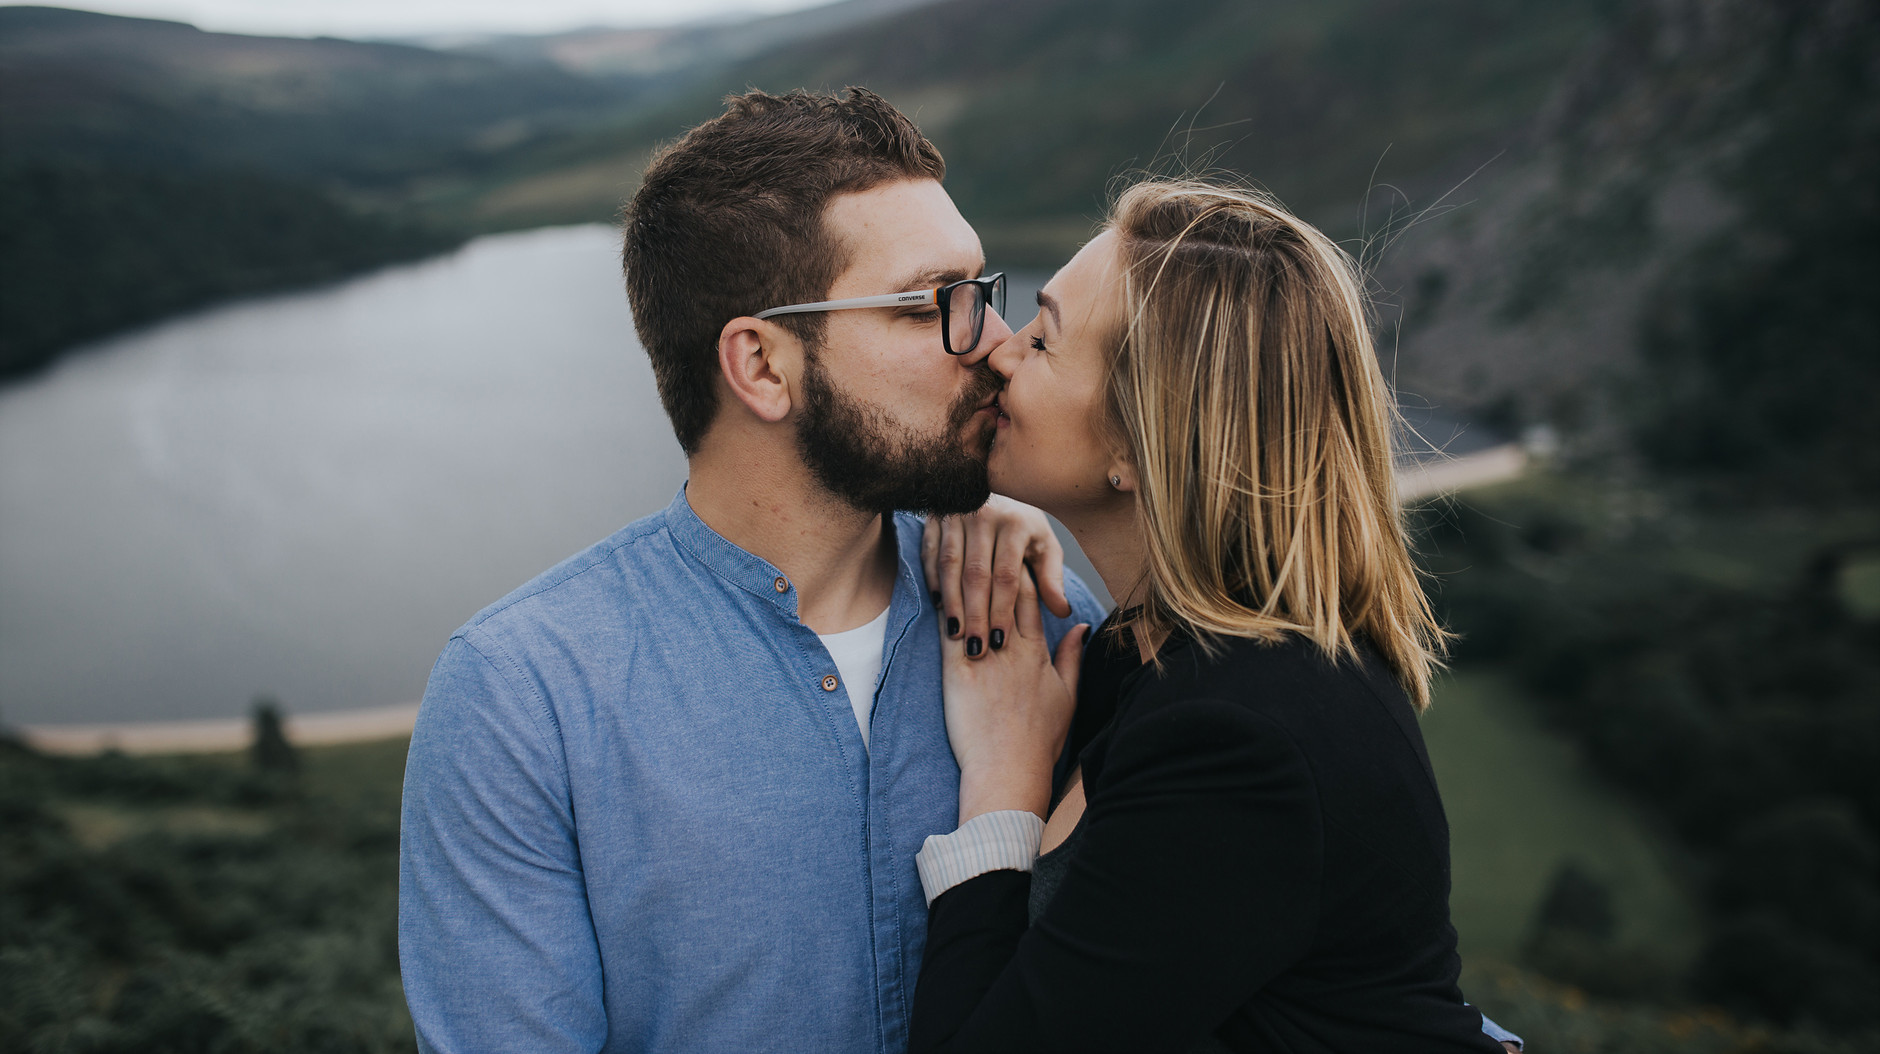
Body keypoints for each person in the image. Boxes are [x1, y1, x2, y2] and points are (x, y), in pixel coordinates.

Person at [397, 88, 1110, 1054]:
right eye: (930, 303)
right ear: (762, 367)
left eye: (982, 292)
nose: (992, 343)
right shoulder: (524, 697)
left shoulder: (1046, 611)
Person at [907, 179, 1522, 1052]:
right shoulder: (1156, 650)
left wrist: (1003, 787)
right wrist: (974, 498)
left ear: (1138, 438)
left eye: (1044, 338)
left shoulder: (1243, 738)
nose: (1000, 352)